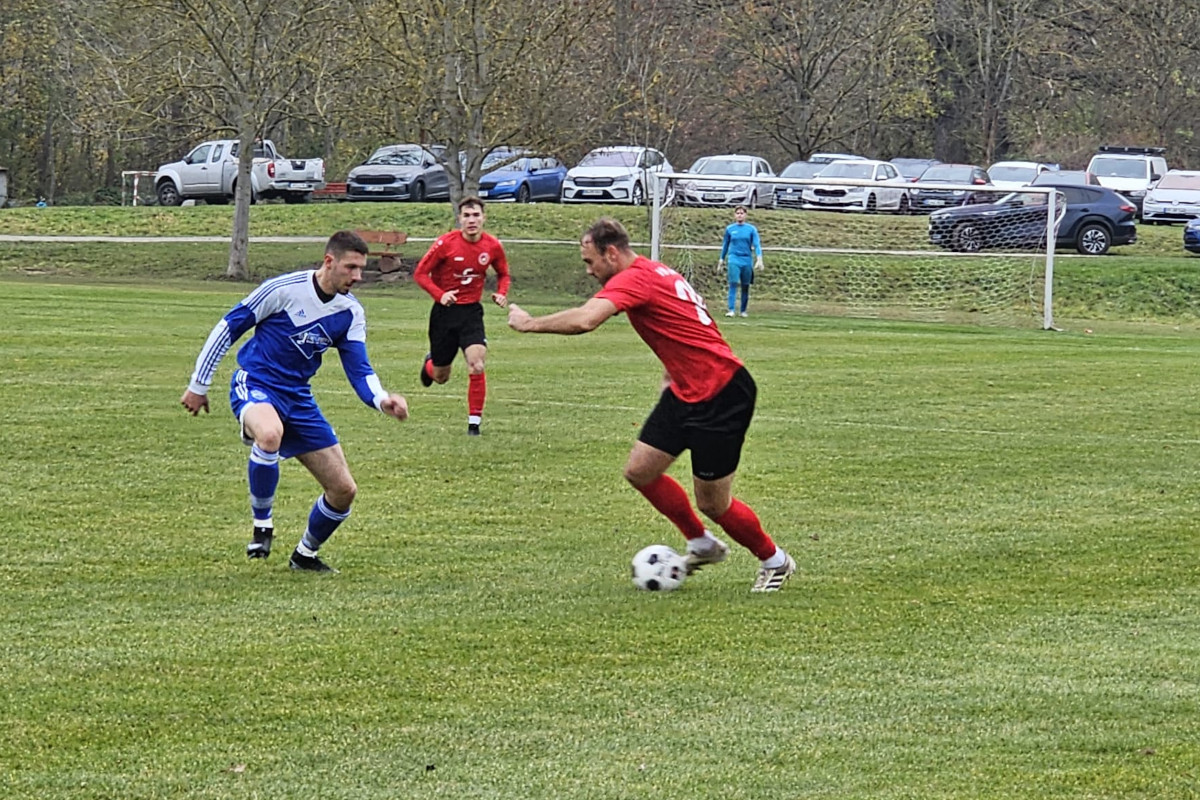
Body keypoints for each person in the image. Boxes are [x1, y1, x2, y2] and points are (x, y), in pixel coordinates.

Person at [507, 218, 795, 592]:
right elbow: (685, 326)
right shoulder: (655, 272)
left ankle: (775, 560)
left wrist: (529, 323)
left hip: (721, 393)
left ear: (612, 253)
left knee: (713, 503)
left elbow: (586, 320)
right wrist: (672, 370)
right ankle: (701, 544)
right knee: (640, 471)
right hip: (684, 389)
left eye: (590, 261)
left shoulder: (635, 278)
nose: (589, 270)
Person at [180, 230, 409, 573]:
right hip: (256, 382)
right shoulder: (284, 289)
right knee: (270, 434)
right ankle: (262, 526)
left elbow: (359, 368)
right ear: (329, 261)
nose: (358, 276)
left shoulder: (350, 312)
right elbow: (228, 327)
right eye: (351, 267)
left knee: (343, 490)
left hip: (298, 398)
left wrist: (381, 399)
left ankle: (305, 555)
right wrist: (198, 385)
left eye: (362, 268)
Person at [414, 196, 511, 436]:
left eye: (476, 215)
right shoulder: (445, 243)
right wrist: (440, 295)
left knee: (477, 364)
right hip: (444, 314)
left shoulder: (492, 246)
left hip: (471, 313)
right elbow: (420, 274)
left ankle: (474, 424)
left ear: (483, 218)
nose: (471, 220)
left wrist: (501, 293)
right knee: (441, 377)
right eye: (467, 216)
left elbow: (503, 274)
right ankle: (430, 366)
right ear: (459, 219)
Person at [717, 205, 763, 317]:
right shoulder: (730, 229)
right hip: (734, 258)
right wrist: (721, 259)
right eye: (737, 213)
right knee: (733, 283)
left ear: (745, 215)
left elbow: (757, 244)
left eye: (742, 213)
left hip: (746, 259)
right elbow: (725, 245)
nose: (739, 215)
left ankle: (743, 311)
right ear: (734, 215)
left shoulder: (751, 229)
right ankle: (731, 309)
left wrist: (759, 259)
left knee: (745, 285)